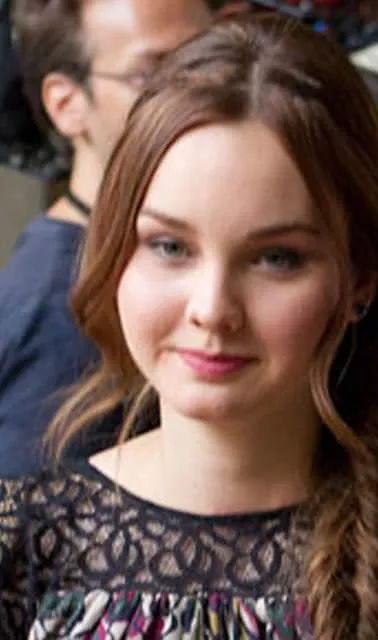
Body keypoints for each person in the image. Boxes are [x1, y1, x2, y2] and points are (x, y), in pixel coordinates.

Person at [0, 13, 378, 639]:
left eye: (276, 258)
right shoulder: (27, 544)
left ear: (359, 280)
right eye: (170, 247)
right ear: (115, 256)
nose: (212, 308)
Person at [0, 0, 211, 474]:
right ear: (66, 104)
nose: (205, 93)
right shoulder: (63, 314)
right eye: (153, 74)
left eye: (210, 60)